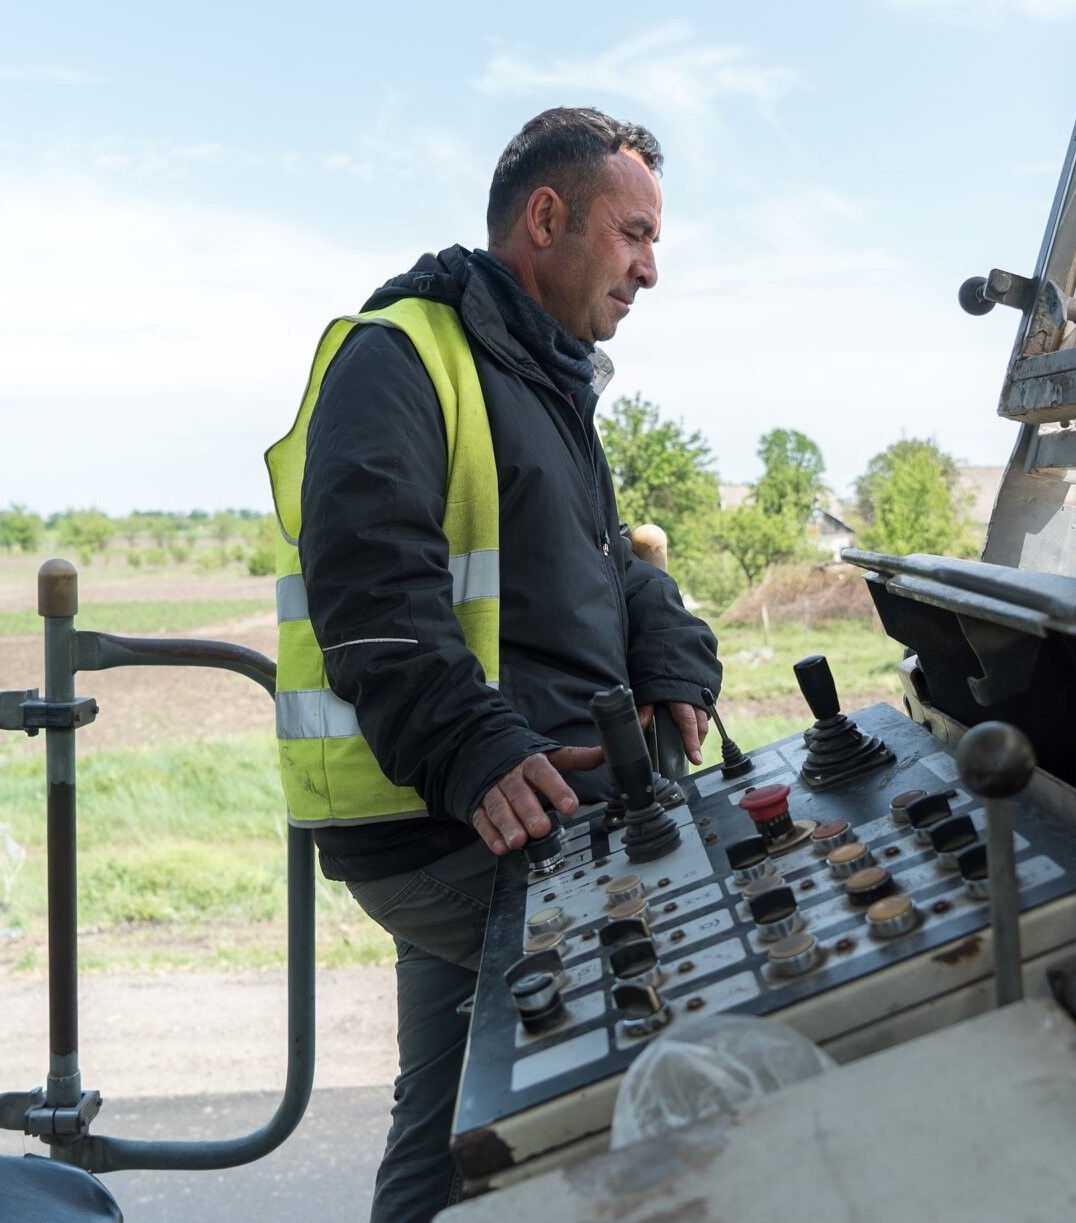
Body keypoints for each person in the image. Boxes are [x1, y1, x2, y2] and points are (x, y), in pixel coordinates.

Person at [265, 106, 722, 1222]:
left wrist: (669, 645)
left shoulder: (542, 381)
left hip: (508, 808)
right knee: (663, 1076)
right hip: (462, 819)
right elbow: (370, 580)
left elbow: (606, 561)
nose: (649, 270)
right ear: (547, 216)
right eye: (633, 234)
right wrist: (473, 749)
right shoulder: (402, 356)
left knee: (446, 1129)